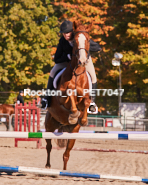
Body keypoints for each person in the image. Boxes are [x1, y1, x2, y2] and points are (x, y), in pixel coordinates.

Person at [40, 20, 101, 113]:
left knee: (93, 77)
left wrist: (84, 48)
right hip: (67, 62)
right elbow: (57, 58)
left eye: (67, 32)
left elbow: (98, 47)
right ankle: (46, 99)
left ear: (72, 31)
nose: (65, 35)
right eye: (64, 33)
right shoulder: (62, 41)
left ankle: (92, 102)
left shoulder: (81, 36)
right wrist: (67, 57)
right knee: (52, 72)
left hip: (84, 61)